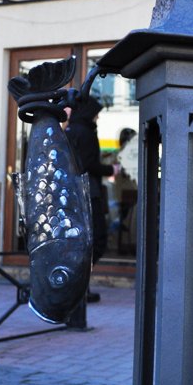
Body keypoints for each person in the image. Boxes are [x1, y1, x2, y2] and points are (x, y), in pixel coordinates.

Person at [65, 96, 120, 303]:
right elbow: (88, 164)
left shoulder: (70, 131)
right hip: (88, 193)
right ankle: (77, 286)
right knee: (97, 241)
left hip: (73, 194)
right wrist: (110, 169)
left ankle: (75, 286)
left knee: (79, 243)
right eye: (96, 113)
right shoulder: (85, 132)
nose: (97, 117)